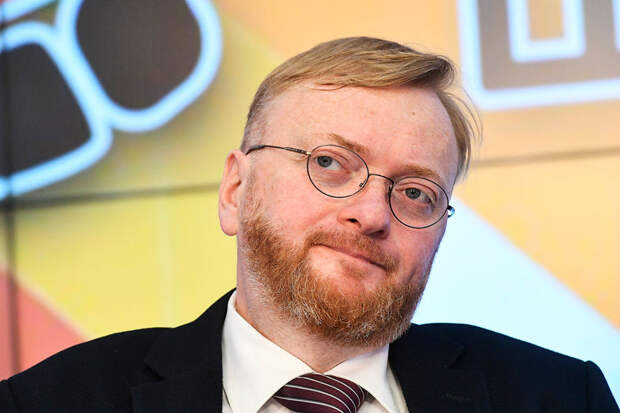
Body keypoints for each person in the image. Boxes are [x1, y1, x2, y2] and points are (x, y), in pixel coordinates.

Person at [1, 37, 618, 413]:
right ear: (236, 191)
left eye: (415, 192)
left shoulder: (561, 398)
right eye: (330, 163)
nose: (371, 214)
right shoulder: (51, 402)